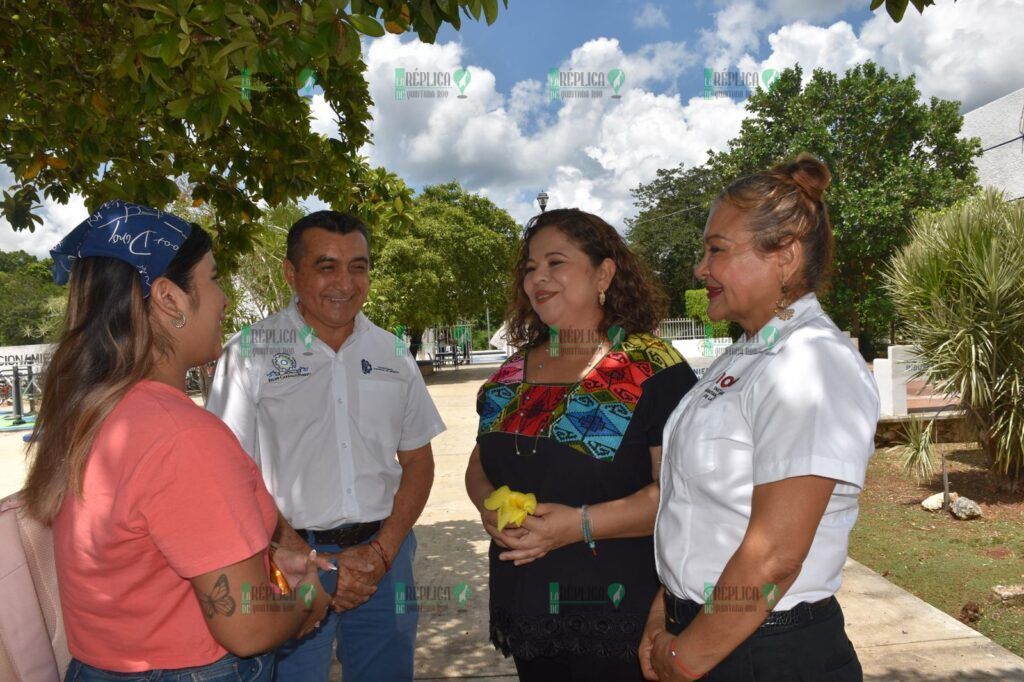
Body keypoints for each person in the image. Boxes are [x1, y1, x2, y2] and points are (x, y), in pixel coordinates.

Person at [24, 200, 331, 681]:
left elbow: (152, 556)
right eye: (212, 279)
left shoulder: (95, 414)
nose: (224, 299)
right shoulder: (180, 434)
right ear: (169, 298)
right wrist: (308, 594)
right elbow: (247, 629)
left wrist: (265, 561)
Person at [640, 154, 880, 681]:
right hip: (711, 632)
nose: (701, 269)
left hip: (765, 653)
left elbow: (774, 555)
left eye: (716, 250)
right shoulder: (744, 357)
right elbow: (700, 511)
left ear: (786, 255)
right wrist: (666, 608)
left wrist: (687, 656)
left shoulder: (812, 362)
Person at [206, 210, 446, 681]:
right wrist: (297, 553)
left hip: (385, 556)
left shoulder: (393, 353)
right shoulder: (251, 352)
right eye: (326, 266)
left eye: (358, 266)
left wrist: (380, 553)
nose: (345, 281)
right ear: (291, 273)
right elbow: (229, 471)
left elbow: (418, 461)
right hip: (287, 562)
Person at [465, 208, 698, 681]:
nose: (538, 279)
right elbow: (479, 465)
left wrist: (578, 525)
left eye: (556, 262)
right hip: (527, 605)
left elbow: (683, 497)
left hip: (619, 617)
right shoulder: (511, 372)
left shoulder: (651, 366)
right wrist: (489, 507)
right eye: (530, 268)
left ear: (604, 273)